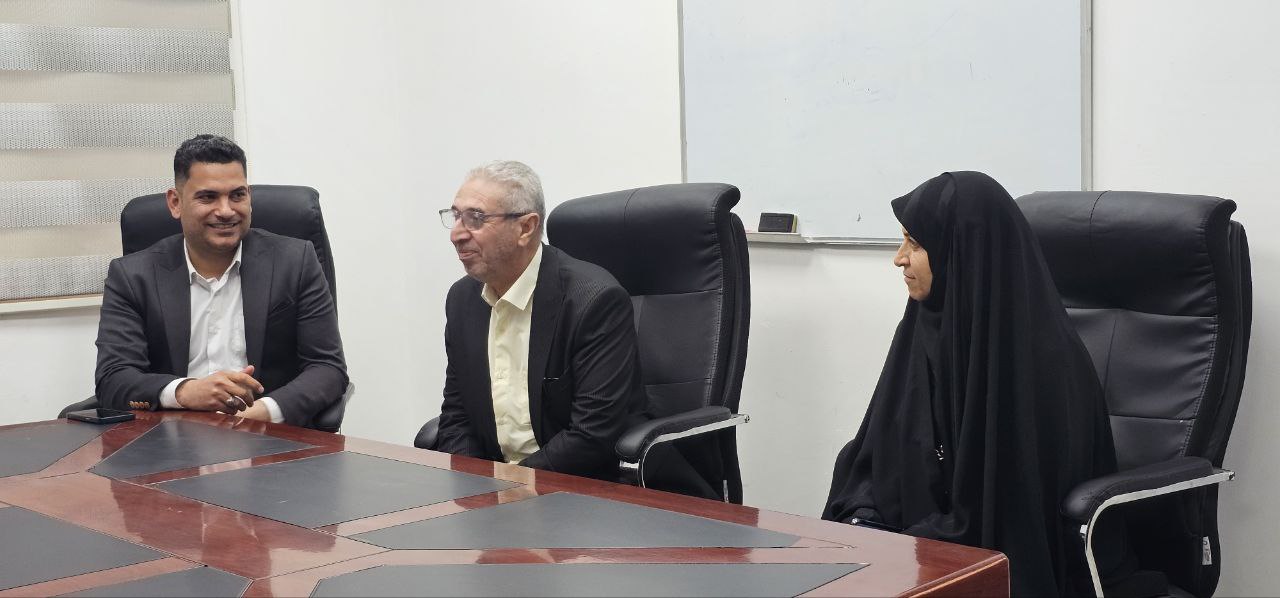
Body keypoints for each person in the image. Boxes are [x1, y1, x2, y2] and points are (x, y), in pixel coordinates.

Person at [821, 172, 1125, 596]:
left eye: (916, 244)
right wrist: (867, 518)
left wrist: (913, 544)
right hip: (915, 545)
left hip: (990, 557)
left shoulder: (1041, 362)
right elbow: (878, 457)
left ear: (961, 254)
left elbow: (1009, 515)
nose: (899, 259)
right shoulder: (923, 331)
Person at [94, 134, 348, 428]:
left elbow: (327, 368)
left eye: (237, 195)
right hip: (170, 439)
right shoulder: (132, 276)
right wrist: (185, 392)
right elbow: (114, 379)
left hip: (270, 437)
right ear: (175, 203)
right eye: (208, 197)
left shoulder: (295, 261)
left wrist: (265, 412)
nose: (226, 211)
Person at [433, 160, 648, 481]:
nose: (456, 234)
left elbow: (592, 434)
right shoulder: (463, 299)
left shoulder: (593, 301)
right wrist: (475, 483)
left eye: (475, 218)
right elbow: (457, 415)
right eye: (455, 216)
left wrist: (511, 487)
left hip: (576, 486)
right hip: (492, 487)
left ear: (526, 227)